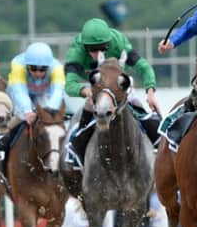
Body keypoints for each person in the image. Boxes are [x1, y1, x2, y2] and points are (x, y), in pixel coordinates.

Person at [64, 18, 161, 162]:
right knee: (88, 110)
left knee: (141, 111)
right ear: (84, 47)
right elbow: (69, 85)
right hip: (96, 87)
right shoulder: (76, 52)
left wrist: (150, 92)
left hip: (119, 85)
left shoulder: (119, 42)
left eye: (103, 48)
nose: (98, 54)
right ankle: (76, 152)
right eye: (93, 50)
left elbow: (144, 68)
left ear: (109, 44)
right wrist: (86, 91)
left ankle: (158, 145)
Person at [0, 42, 65, 165]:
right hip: (21, 94)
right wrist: (27, 111)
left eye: (43, 69)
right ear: (27, 66)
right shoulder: (18, 65)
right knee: (21, 116)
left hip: (43, 94)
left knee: (52, 120)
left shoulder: (57, 68)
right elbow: (19, 91)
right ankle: (1, 139)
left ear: (48, 67)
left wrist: (50, 111)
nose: (38, 73)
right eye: (33, 68)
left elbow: (58, 92)